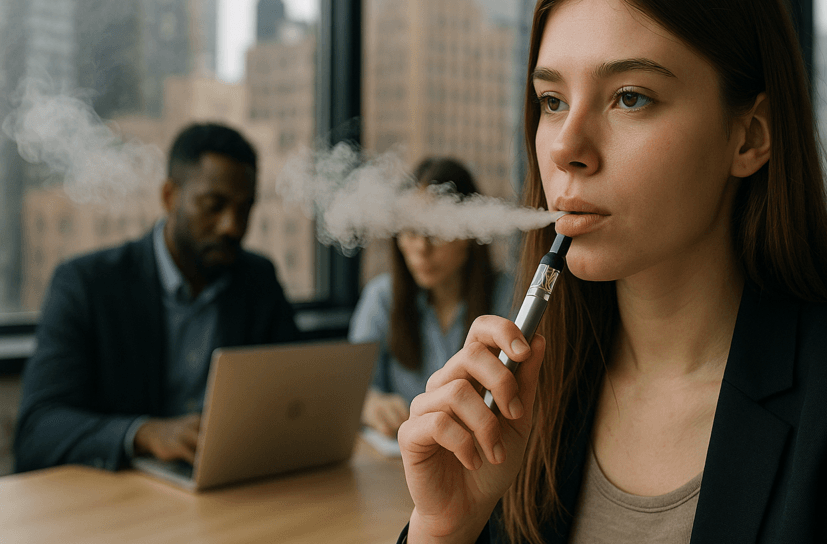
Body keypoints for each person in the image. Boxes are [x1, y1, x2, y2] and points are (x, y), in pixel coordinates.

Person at [386, 0, 827, 544]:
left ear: (749, 136)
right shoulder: (523, 403)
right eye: (551, 100)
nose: (566, 146)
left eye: (630, 97)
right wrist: (441, 536)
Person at [14, 122, 299, 472]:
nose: (232, 226)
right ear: (169, 196)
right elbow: (37, 429)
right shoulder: (87, 284)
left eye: (245, 209)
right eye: (214, 205)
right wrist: (142, 433)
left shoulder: (257, 279)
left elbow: (296, 389)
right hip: (123, 488)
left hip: (228, 479)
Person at [349, 157, 513, 438]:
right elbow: (353, 390)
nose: (421, 248)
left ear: (470, 232)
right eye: (410, 231)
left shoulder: (509, 295)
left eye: (436, 231)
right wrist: (371, 405)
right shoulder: (382, 298)